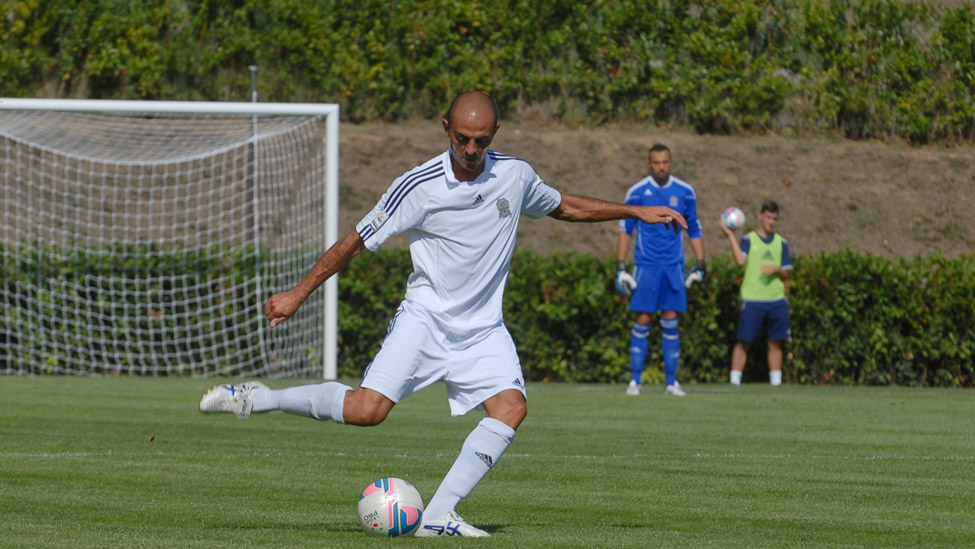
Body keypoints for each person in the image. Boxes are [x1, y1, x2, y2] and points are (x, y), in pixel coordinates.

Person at [199, 91, 687, 537]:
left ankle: (437, 516)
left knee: (512, 408)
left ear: (494, 134)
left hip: (482, 330)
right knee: (368, 411)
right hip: (426, 320)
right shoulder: (418, 185)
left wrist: (634, 211)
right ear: (445, 128)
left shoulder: (515, 174)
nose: (470, 149)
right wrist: (298, 294)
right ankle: (262, 398)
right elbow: (355, 242)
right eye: (461, 138)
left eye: (480, 140)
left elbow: (562, 207)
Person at [614, 143, 704, 397]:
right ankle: (635, 381)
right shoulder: (637, 192)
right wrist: (621, 267)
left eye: (665, 162)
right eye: (656, 162)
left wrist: (701, 262)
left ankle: (671, 383)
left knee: (671, 321)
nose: (661, 167)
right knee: (642, 319)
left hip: (673, 266)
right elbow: (625, 229)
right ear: (649, 163)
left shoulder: (685, 192)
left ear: (671, 162)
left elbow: (694, 227)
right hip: (646, 266)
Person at [719, 200, 792, 386]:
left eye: (775, 219)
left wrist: (776, 269)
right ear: (760, 216)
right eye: (768, 217)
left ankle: (776, 383)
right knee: (744, 340)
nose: (771, 222)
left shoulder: (781, 242)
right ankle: (735, 381)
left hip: (775, 299)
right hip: (753, 298)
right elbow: (740, 261)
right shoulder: (749, 240)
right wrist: (730, 236)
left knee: (775, 342)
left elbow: (786, 271)